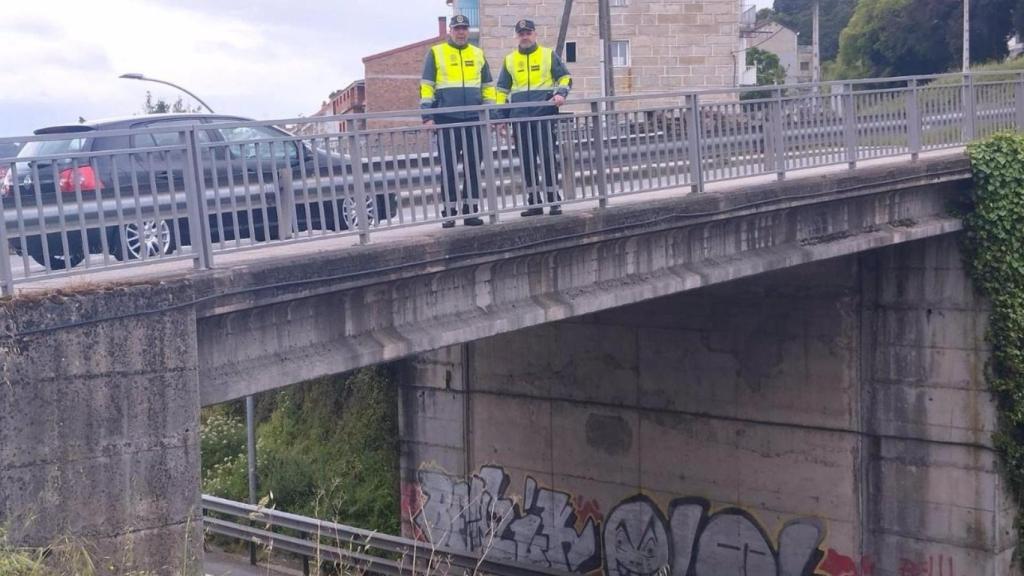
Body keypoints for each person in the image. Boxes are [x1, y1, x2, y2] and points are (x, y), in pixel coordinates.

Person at [420, 14, 496, 228]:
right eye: (457, 28)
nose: (461, 32)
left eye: (464, 28)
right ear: (450, 31)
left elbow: (488, 87)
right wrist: (427, 116)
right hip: (447, 120)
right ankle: (449, 212)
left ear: (468, 31)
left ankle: (471, 211)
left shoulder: (478, 53)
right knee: (449, 168)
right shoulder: (436, 53)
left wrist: (490, 114)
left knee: (473, 166)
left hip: (474, 120)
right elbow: (426, 87)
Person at [495, 19, 572, 217]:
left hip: (544, 116)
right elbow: (501, 90)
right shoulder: (510, 60)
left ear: (535, 34)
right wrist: (500, 117)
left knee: (547, 158)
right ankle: (534, 202)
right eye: (521, 33)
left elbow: (565, 77)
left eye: (528, 32)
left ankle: (553, 199)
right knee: (527, 162)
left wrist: (561, 94)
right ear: (517, 36)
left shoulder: (547, 55)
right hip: (520, 119)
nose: (525, 36)